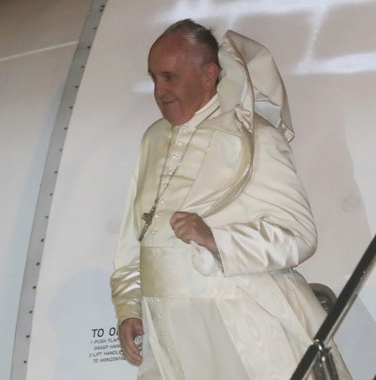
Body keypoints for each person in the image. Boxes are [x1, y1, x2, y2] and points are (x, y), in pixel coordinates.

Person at [110, 19, 348, 379]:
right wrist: (129, 306)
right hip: (168, 331)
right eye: (153, 77)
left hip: (240, 326)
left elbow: (299, 236)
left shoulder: (255, 137)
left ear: (209, 75)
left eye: (169, 77)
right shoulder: (153, 139)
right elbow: (135, 235)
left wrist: (215, 239)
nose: (158, 90)